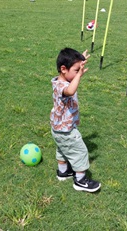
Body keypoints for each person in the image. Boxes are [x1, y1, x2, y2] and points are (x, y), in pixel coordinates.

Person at [50, 47, 101, 193]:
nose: (78, 73)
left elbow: (72, 84)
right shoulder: (61, 86)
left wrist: (79, 64)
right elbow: (70, 91)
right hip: (65, 129)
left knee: (63, 148)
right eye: (76, 70)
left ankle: (63, 172)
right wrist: (79, 73)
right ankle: (80, 181)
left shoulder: (60, 80)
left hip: (58, 128)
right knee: (80, 151)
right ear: (63, 69)